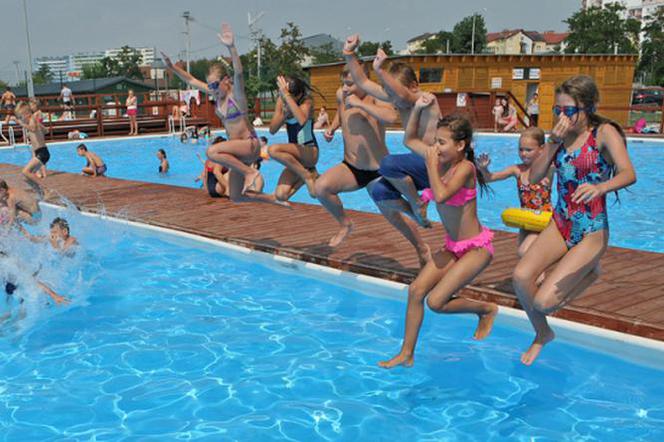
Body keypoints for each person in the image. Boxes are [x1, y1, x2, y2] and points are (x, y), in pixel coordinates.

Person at [511, 75, 636, 366]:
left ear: (588, 107)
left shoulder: (604, 132)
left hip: (591, 229)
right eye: (558, 110)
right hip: (561, 222)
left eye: (569, 110)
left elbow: (629, 173)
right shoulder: (560, 137)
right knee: (520, 277)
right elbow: (537, 176)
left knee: (543, 302)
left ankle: (590, 271)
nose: (562, 117)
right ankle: (542, 333)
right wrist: (553, 141)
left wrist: (601, 187)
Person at [379, 98, 498, 369]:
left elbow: (443, 196)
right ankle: (407, 353)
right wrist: (418, 109)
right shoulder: (440, 159)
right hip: (453, 247)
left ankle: (485, 309)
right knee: (415, 291)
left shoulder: (465, 168)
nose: (435, 148)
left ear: (461, 145)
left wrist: (431, 165)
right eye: (435, 141)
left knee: (436, 301)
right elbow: (409, 139)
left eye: (442, 143)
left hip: (476, 249)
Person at [162, 23, 287, 207]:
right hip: (237, 154)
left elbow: (239, 72)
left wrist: (231, 47)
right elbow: (190, 80)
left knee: (211, 151)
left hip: (249, 145)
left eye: (214, 85)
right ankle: (271, 198)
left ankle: (251, 172)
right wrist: (172, 67)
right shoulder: (215, 94)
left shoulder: (236, 96)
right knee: (236, 196)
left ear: (225, 81)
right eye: (210, 86)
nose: (211, 89)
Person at [343, 34, 441, 266]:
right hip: (419, 165)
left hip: (435, 164)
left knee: (387, 164)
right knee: (378, 192)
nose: (395, 103)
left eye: (396, 95)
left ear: (414, 85)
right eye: (391, 97)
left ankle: (417, 203)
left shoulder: (425, 99)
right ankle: (416, 211)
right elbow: (364, 83)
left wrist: (380, 70)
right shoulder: (398, 98)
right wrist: (349, 54)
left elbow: (404, 95)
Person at [315, 63, 397, 247]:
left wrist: (361, 105)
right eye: (343, 83)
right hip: (351, 167)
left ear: (364, 82)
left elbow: (391, 117)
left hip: (378, 170)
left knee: (394, 217)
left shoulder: (377, 97)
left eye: (350, 84)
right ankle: (345, 224)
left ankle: (421, 249)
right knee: (321, 187)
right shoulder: (342, 95)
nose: (345, 88)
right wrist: (332, 127)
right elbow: (340, 110)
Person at [478, 127, 553, 257]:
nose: (523, 153)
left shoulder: (549, 169)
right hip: (525, 219)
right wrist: (484, 169)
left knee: (525, 252)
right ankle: (539, 277)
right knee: (527, 258)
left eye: (529, 150)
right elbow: (489, 178)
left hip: (543, 220)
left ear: (542, 149)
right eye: (521, 149)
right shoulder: (517, 170)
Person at [268, 75, 320, 200]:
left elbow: (302, 119)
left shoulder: (307, 102)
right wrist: (285, 112)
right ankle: (309, 174)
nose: (285, 98)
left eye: (289, 95)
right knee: (281, 195)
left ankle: (306, 176)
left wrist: (286, 96)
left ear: (299, 94)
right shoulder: (282, 101)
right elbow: (272, 130)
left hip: (309, 151)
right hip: (295, 157)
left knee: (273, 150)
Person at [14, 102, 50, 194]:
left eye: (22, 116)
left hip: (42, 152)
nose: (22, 119)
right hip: (40, 152)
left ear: (27, 114)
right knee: (25, 177)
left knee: (25, 171)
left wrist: (20, 123)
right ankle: (40, 193)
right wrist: (40, 126)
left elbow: (33, 129)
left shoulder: (32, 118)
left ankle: (45, 189)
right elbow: (46, 131)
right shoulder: (34, 121)